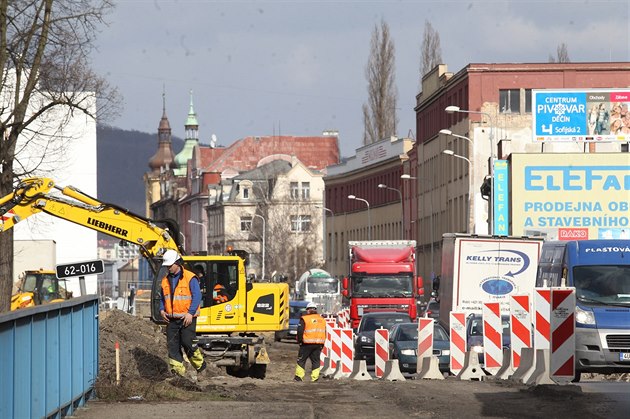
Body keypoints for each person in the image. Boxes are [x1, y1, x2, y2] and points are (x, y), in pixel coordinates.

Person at [159, 249, 207, 377]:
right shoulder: (165, 280)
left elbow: (197, 296)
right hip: (171, 319)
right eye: (167, 266)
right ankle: (178, 374)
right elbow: (163, 297)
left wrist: (190, 313)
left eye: (170, 265)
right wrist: (162, 309)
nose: (168, 268)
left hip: (187, 318)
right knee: (172, 346)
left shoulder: (190, 278)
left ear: (177, 263)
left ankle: (201, 367)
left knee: (188, 342)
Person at [294, 301, 326, 382]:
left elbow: (300, 331)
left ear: (308, 310)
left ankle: (299, 377)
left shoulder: (305, 318)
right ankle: (315, 378)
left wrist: (300, 341)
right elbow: (324, 332)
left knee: (301, 360)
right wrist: (322, 344)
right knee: (316, 361)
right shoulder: (321, 319)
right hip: (318, 344)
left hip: (306, 344)